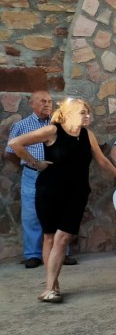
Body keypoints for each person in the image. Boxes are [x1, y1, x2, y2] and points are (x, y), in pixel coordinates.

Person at [8, 97, 116, 302]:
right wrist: (35, 162)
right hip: (49, 191)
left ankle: (50, 287)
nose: (87, 116)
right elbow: (16, 143)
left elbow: (102, 160)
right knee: (50, 237)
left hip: (77, 193)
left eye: (88, 112)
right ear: (68, 113)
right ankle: (52, 286)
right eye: (82, 112)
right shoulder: (53, 131)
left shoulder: (87, 134)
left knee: (63, 238)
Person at [5, 90, 53, 268]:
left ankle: (61, 252)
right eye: (42, 101)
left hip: (55, 175)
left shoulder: (58, 124)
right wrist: (29, 165)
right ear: (31, 104)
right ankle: (33, 254)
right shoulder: (21, 126)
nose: (47, 104)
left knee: (58, 211)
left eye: (49, 101)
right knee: (31, 214)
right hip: (32, 174)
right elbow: (10, 153)